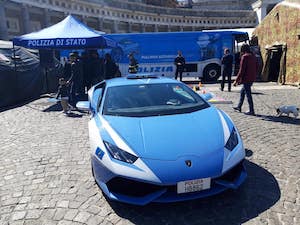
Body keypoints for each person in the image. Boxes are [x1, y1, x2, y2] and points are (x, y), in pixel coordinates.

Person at [233, 44, 258, 116]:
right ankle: (239, 106)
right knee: (242, 92)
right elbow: (257, 67)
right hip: (252, 78)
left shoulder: (245, 57)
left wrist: (236, 81)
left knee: (248, 94)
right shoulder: (253, 56)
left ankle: (251, 110)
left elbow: (241, 70)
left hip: (246, 79)